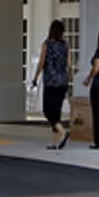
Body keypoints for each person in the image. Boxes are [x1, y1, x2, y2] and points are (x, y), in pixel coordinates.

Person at [30, 19, 71, 149]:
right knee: (56, 111)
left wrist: (35, 77)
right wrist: (67, 79)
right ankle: (54, 142)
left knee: (48, 111)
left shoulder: (46, 44)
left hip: (50, 82)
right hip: (62, 81)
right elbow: (69, 65)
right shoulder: (65, 45)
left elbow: (42, 62)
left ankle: (62, 132)